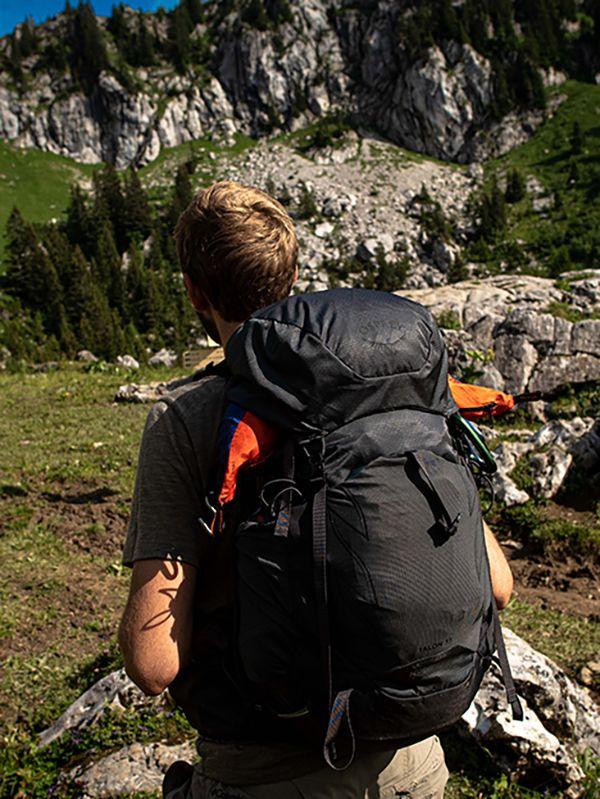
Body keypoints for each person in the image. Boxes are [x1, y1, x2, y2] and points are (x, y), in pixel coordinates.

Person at [118, 180, 514, 799]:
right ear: (294, 277)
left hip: (266, 775)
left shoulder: (186, 419)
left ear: (194, 291)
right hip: (412, 767)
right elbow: (499, 585)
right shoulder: (390, 388)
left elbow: (153, 664)